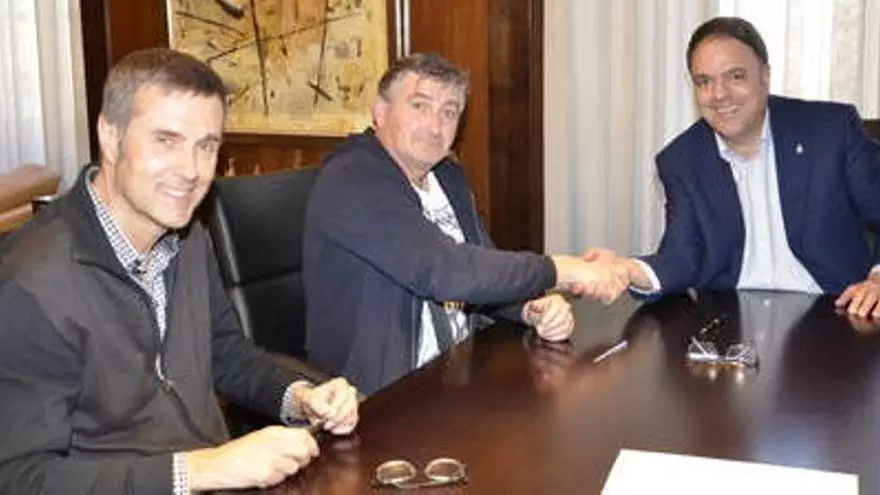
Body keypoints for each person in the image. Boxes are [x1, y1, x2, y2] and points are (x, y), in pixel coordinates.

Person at [0, 48, 359, 494]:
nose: (191, 171)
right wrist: (202, 469)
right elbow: (21, 479)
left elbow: (227, 355)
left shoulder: (187, 236)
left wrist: (300, 397)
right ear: (110, 137)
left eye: (206, 146)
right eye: (166, 140)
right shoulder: (30, 282)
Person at [303, 52, 628, 395]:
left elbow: (480, 267)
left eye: (449, 111)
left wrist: (528, 308)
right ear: (380, 111)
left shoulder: (447, 176)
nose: (435, 126)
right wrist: (561, 270)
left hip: (457, 374)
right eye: (419, 106)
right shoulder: (352, 180)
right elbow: (445, 271)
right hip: (378, 397)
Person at [600, 17, 880, 319]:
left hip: (839, 317)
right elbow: (682, 255)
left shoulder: (831, 131)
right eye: (704, 81)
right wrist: (627, 270)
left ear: (764, 76)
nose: (719, 94)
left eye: (735, 76)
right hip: (728, 326)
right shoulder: (681, 160)